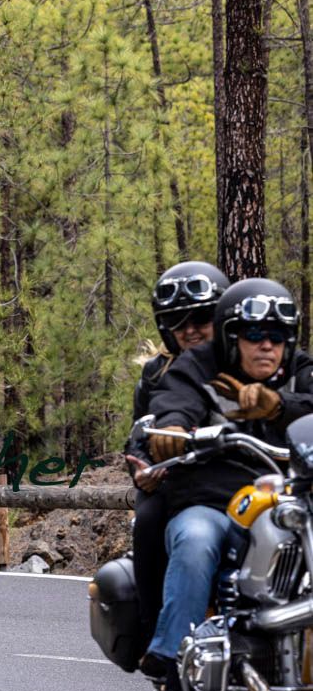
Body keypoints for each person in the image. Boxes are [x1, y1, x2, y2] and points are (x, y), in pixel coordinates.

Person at [143, 277, 313, 691]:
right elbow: (173, 402)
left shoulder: (301, 372)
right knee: (195, 541)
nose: (266, 344)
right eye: (254, 333)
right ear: (229, 336)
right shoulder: (198, 366)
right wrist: (172, 428)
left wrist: (280, 406)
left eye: (277, 335)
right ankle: (173, 681)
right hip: (213, 498)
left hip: (290, 501)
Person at [123, 262, 227, 656]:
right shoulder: (155, 374)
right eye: (177, 321)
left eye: (201, 317)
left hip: (241, 477)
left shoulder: (247, 362)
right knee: (148, 519)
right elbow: (138, 436)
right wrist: (142, 470)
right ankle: (156, 633)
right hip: (175, 480)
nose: (190, 329)